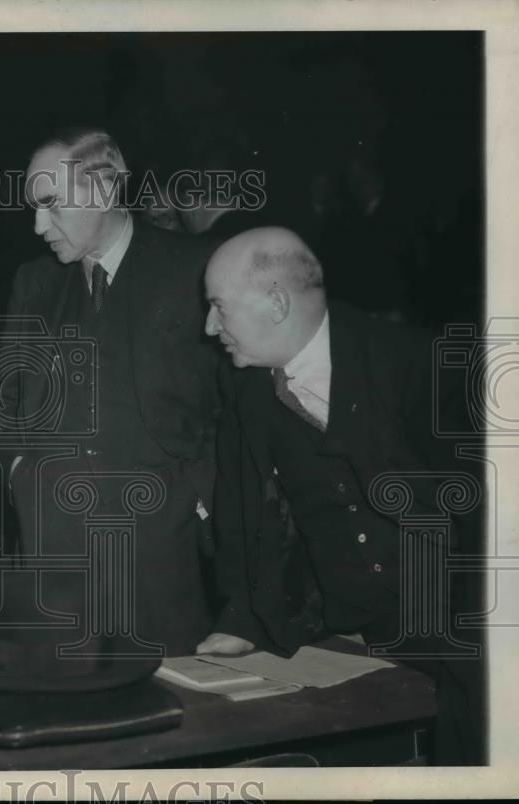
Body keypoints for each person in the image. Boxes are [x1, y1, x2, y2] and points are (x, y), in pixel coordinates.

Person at [199, 226, 485, 764]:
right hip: (353, 634)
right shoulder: (245, 387)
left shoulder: (418, 365)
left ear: (277, 302)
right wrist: (242, 619)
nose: (209, 326)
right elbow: (243, 512)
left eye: (218, 307)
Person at [2, 127, 220, 657]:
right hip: (55, 553)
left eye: (50, 205)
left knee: (177, 711)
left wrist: (201, 501)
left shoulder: (196, 269)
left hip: (162, 548)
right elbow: (4, 398)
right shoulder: (35, 282)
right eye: (33, 208)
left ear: (102, 190)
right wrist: (19, 473)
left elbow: (233, 405)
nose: (37, 225)